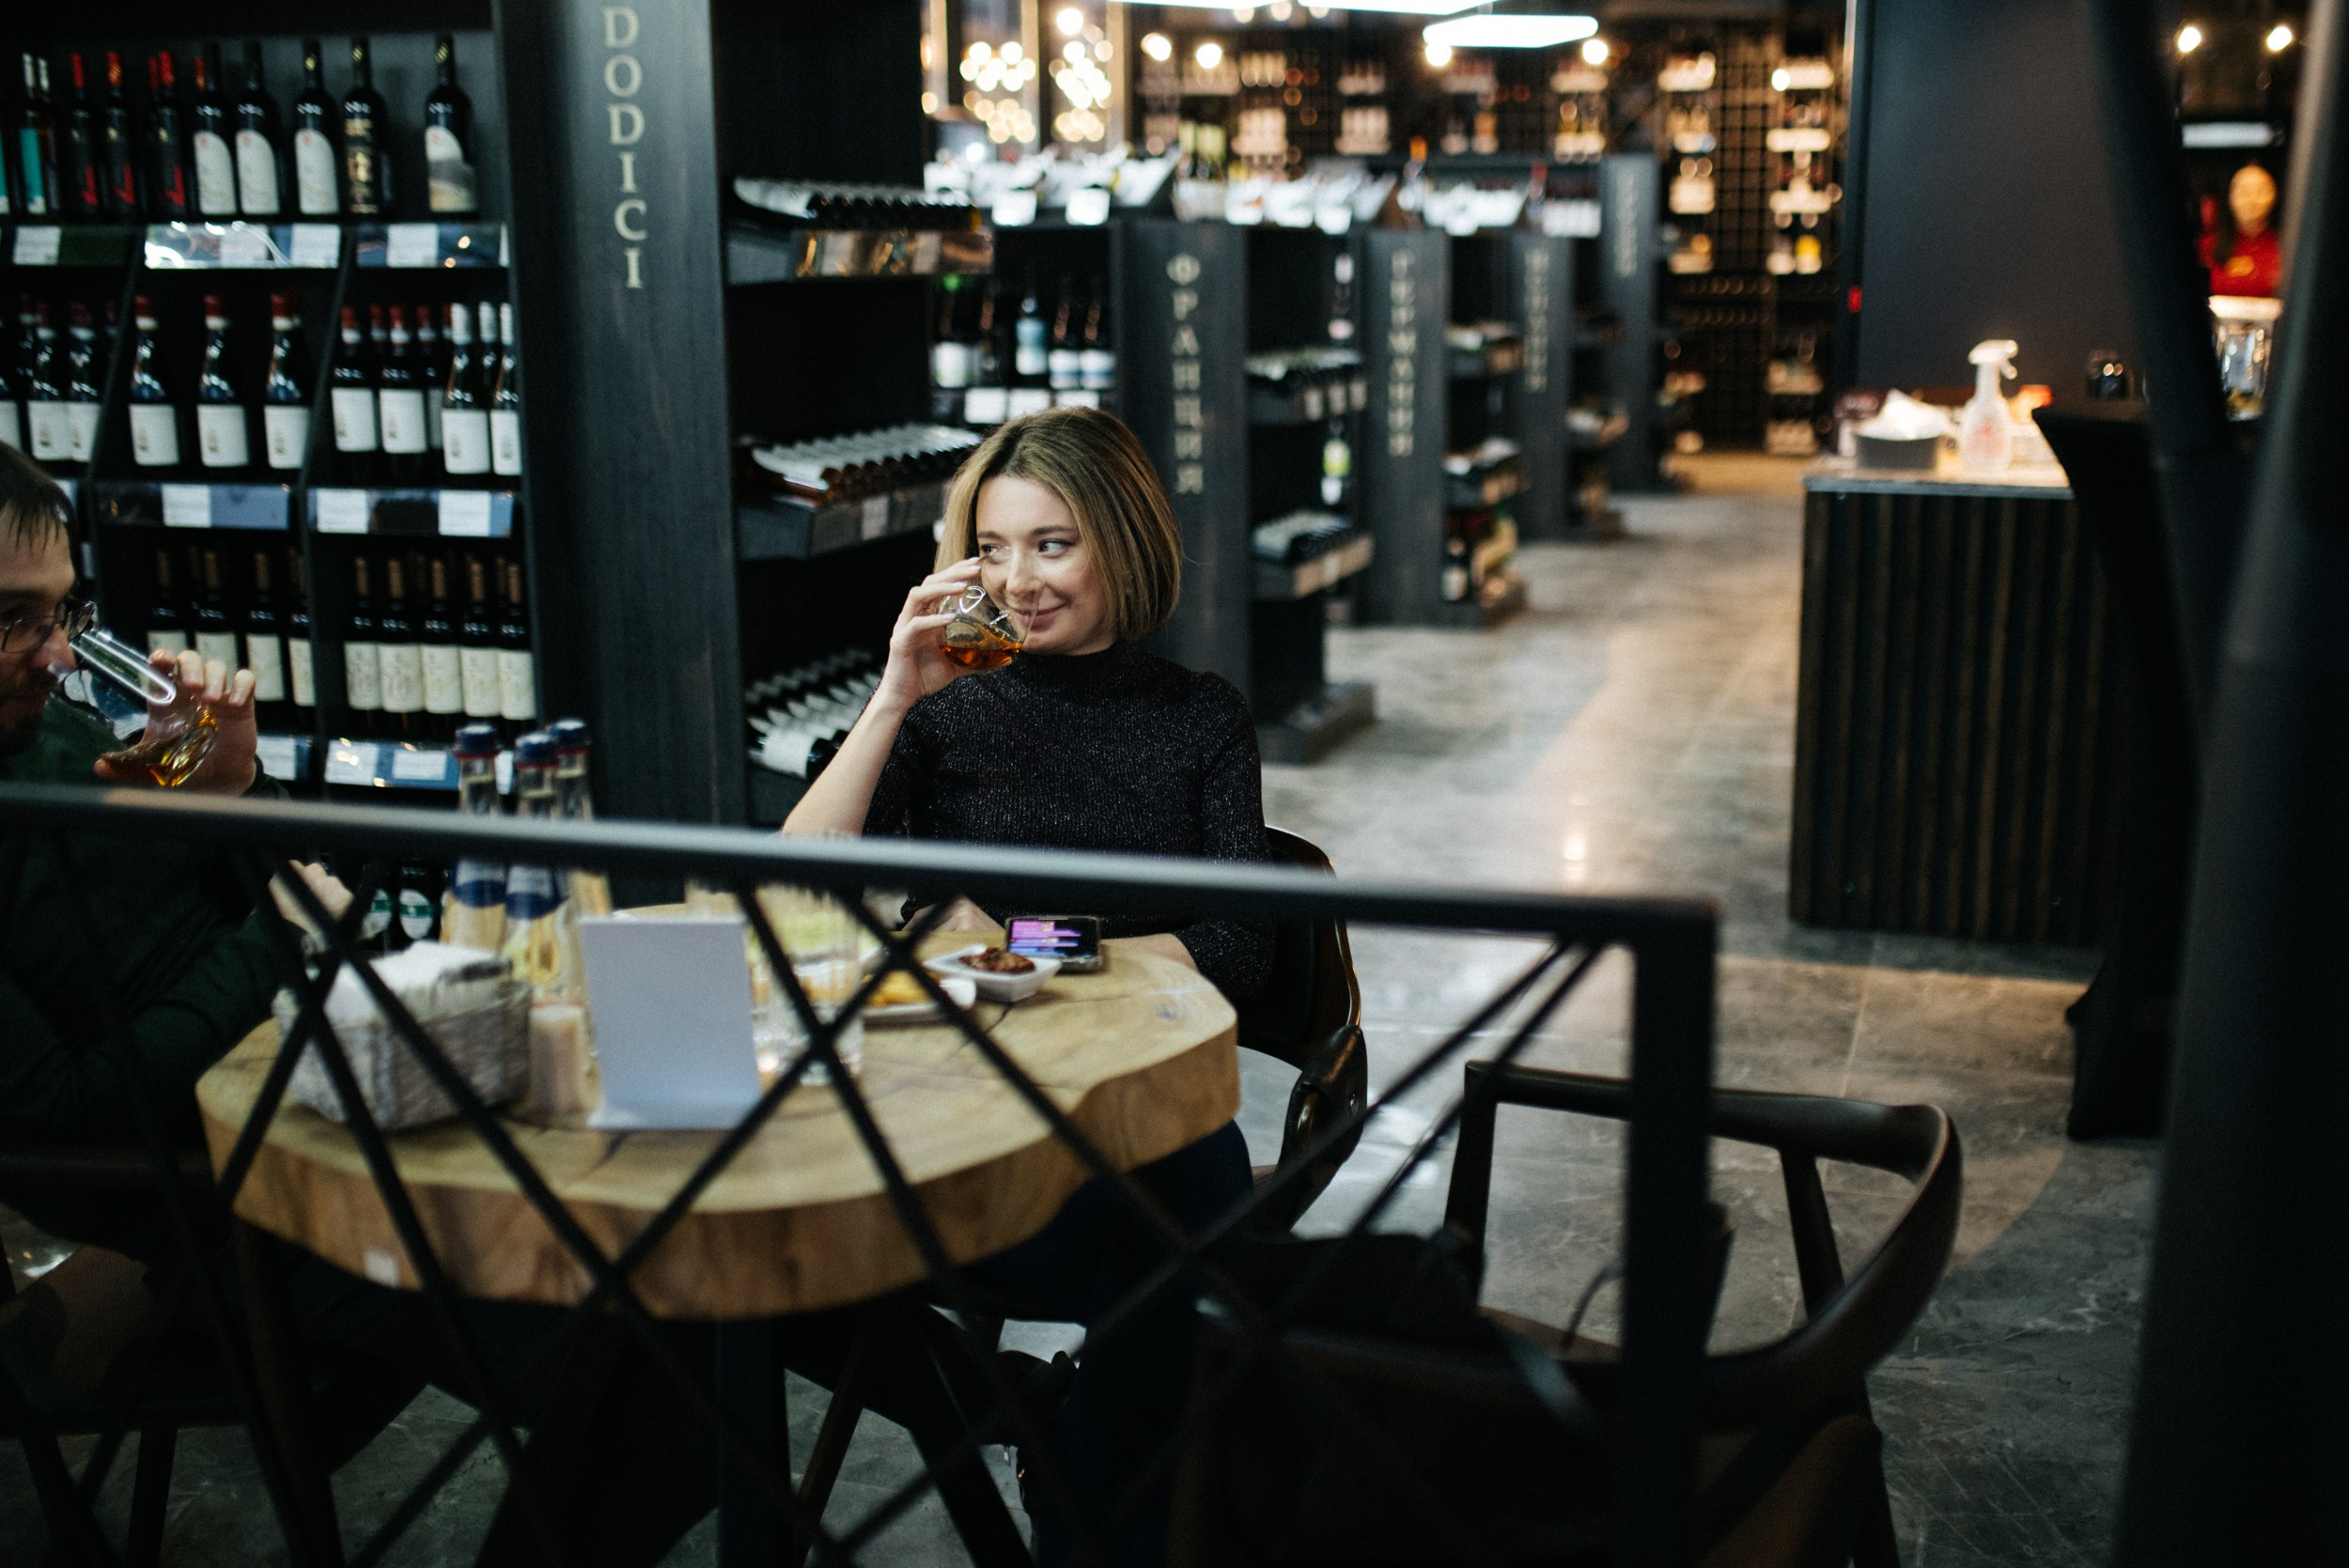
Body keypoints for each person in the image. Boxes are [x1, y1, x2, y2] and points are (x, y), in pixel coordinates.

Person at [785, 406, 1269, 1565]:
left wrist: (1022, 944)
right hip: (945, 1105)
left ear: (1123, 538)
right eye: (991, 549)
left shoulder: (1198, 717)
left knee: (1189, 1187)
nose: (1018, 579)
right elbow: (797, 887)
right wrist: (895, 691)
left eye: (1052, 544)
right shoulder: (947, 705)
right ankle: (1078, 1470)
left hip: (1117, 1109)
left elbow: (1244, 945)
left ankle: (1089, 1515)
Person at [2208, 162, 2282, 297]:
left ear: (2275, 195)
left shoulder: (2288, 247)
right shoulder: (2207, 246)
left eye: (2260, 191)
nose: (2251, 200)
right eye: (2244, 192)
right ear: (2230, 196)